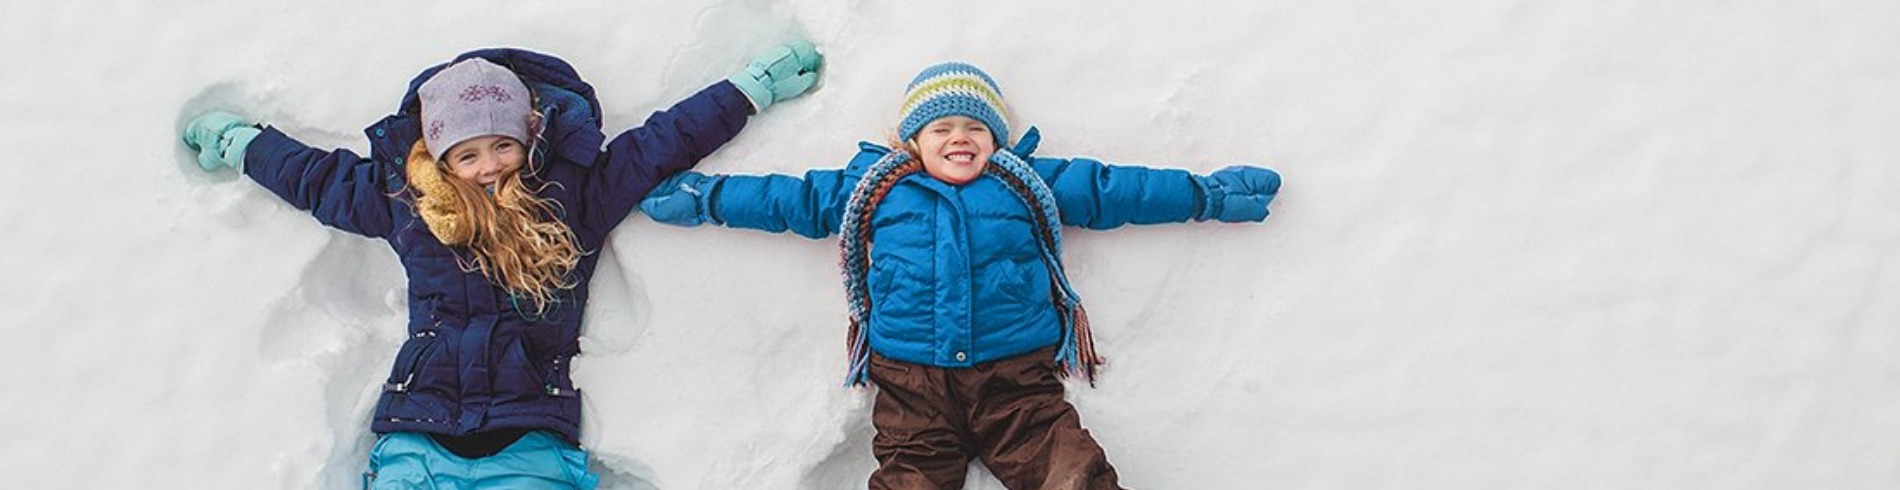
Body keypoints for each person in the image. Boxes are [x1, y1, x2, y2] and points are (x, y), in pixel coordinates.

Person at [179, 43, 822, 489]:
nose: (488, 165)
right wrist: (241, 144)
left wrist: (751, 87)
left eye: (502, 145)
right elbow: (315, 179)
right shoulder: (407, 201)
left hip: (532, 437)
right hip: (416, 433)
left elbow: (661, 144)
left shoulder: (574, 197)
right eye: (467, 153)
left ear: (530, 136)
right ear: (439, 155)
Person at [639, 61, 1281, 489]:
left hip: (1016, 379)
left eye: (976, 126)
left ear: (996, 138)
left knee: (1069, 468)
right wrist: (707, 198)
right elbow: (789, 200)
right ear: (911, 140)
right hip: (910, 381)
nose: (959, 137)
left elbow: (1122, 190)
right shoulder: (871, 188)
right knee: (909, 475)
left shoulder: (1034, 183)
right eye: (941, 126)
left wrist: (1209, 195)